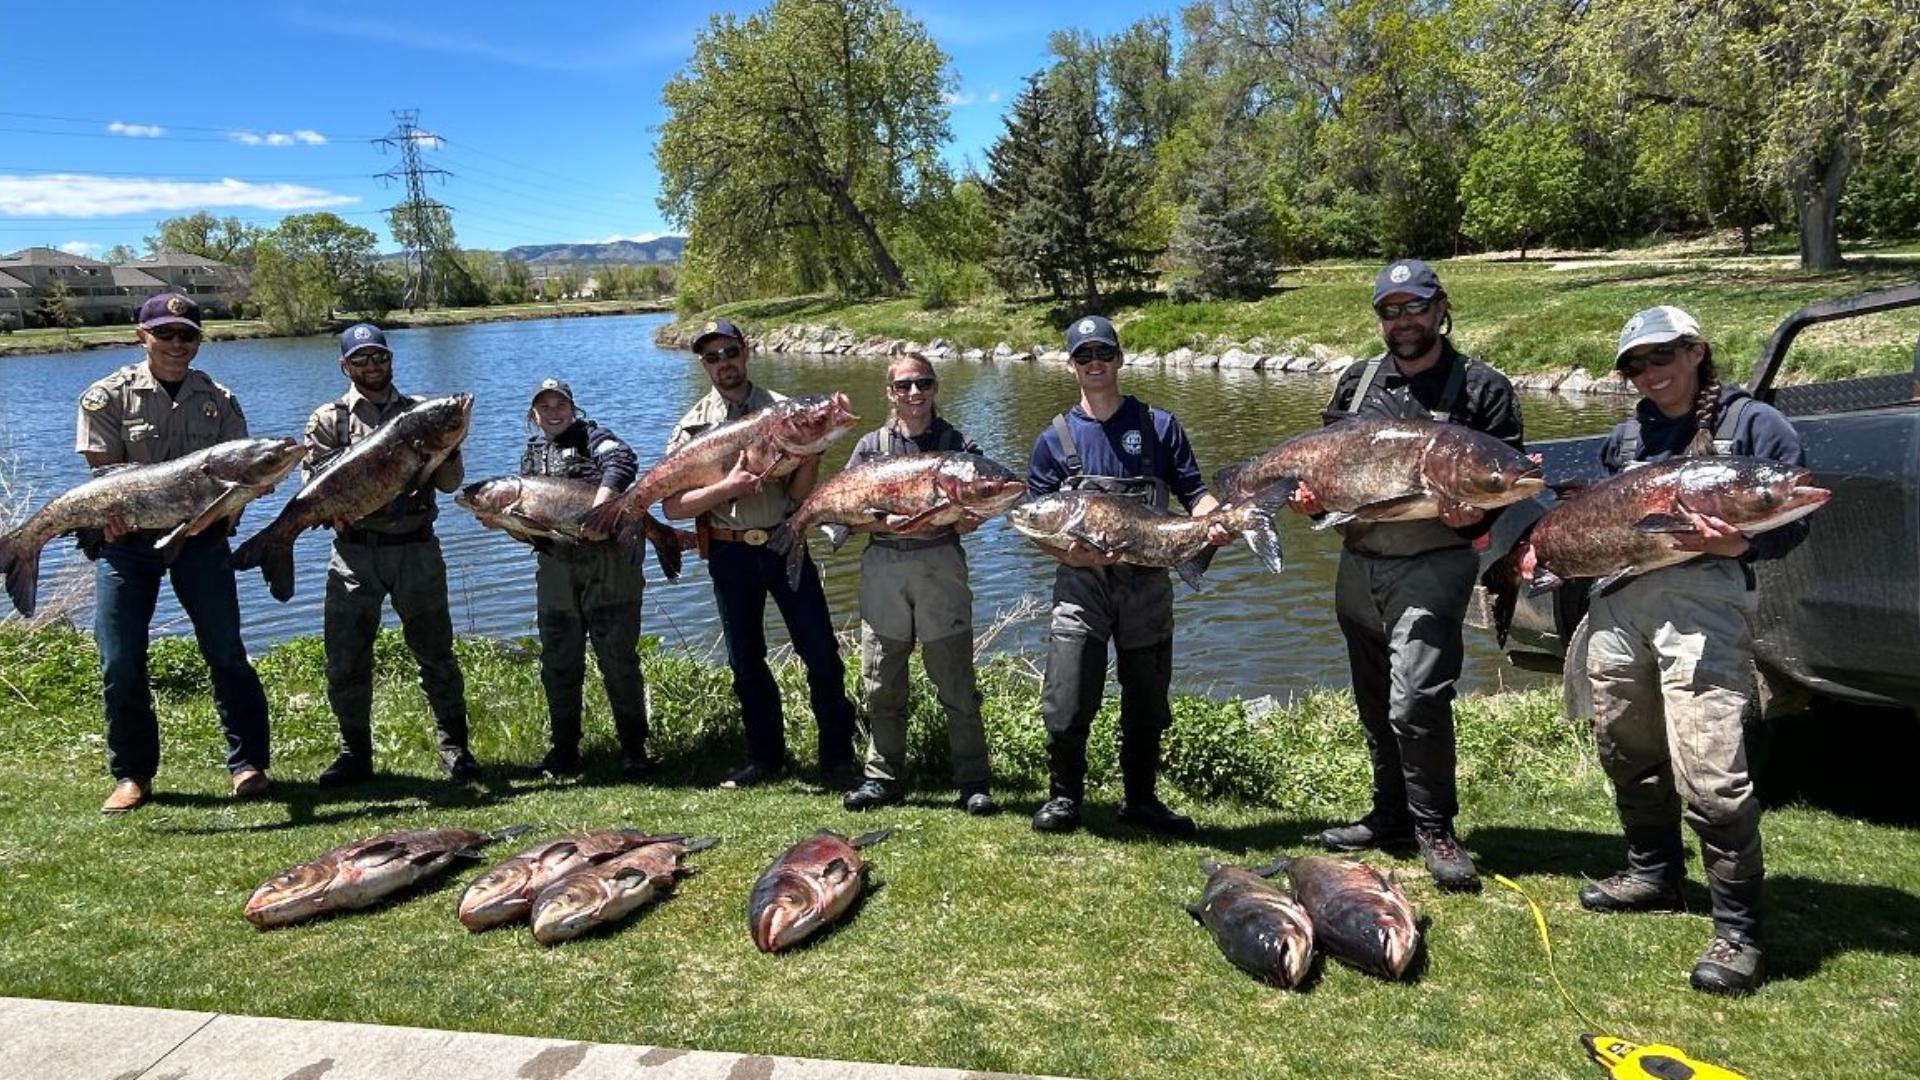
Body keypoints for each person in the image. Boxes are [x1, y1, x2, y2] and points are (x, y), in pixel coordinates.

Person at [1525, 306, 1805, 995]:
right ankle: (1653, 871)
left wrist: (1740, 543)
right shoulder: (1626, 437)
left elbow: (1790, 519)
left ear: (1696, 351)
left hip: (1702, 604)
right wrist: (1549, 554)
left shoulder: (1752, 426)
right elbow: (1602, 524)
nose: (1652, 374)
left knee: (1710, 764)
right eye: (1637, 365)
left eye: (1664, 356)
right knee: (1624, 739)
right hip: (1621, 603)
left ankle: (1737, 929)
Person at [1296, 258, 1524, 890]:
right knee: (1374, 701)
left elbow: (1504, 491)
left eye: (1415, 307)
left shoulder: (1483, 389)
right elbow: (1326, 475)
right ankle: (1389, 815)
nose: (1403, 321)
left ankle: (1434, 826)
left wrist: (1471, 513)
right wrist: (1312, 499)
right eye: (1389, 311)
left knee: (1417, 698)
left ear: (1441, 307)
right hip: (1359, 560)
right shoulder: (1355, 384)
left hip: (1435, 562)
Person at [1026, 315, 1229, 837]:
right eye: (1083, 356)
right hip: (1080, 587)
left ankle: (1141, 799)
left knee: (1146, 700)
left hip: (1148, 585)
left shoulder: (1159, 425)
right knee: (1068, 697)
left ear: (1119, 358)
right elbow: (1035, 520)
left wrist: (1216, 521)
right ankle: (1065, 797)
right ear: (1071, 365)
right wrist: (1069, 556)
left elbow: (1195, 493)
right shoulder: (1053, 439)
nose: (1095, 363)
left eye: (1104, 353)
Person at [74, 292, 273, 812]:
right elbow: (103, 478)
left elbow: (241, 473)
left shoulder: (220, 400)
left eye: (187, 334)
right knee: (120, 659)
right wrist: (108, 519)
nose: (176, 344)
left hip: (202, 540)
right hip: (128, 546)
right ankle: (132, 774)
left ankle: (248, 764)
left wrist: (249, 492)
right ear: (142, 336)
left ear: (198, 341)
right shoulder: (107, 397)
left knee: (227, 651)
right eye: (165, 333)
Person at [661, 318, 859, 790]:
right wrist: (725, 488)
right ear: (704, 364)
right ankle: (765, 758)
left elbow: (800, 496)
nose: (723, 364)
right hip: (729, 555)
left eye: (730, 352)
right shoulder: (692, 427)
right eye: (712, 357)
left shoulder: (785, 411)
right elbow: (671, 507)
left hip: (783, 543)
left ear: (745, 352)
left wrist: (809, 454)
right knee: (746, 660)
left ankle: (837, 758)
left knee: (821, 653)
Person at [306, 324, 476, 786]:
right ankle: (354, 753)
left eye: (378, 357)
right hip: (355, 554)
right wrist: (331, 511)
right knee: (346, 659)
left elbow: (448, 485)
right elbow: (313, 486)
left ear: (390, 359)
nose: (371, 366)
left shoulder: (423, 412)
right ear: (345, 366)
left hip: (417, 547)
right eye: (360, 360)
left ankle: (455, 748)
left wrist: (450, 446)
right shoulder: (329, 420)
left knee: (436, 653)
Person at [840, 352, 996, 816]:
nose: (914, 393)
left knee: (956, 679)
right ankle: (882, 777)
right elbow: (847, 508)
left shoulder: (958, 446)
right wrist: (878, 520)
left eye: (922, 384)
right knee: (881, 678)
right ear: (890, 392)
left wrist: (968, 518)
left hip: (939, 566)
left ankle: (972, 780)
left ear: (935, 387)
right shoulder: (870, 446)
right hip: (883, 566)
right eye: (904, 386)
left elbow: (977, 514)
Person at [516, 378, 652, 780]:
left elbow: (623, 460)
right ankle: (564, 751)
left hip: (609, 568)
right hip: (556, 571)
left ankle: (633, 750)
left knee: (618, 661)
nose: (553, 412)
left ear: (573, 407)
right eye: (544, 407)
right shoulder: (531, 459)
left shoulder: (595, 437)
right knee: (558, 662)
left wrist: (601, 510)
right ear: (533, 415)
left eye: (561, 404)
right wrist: (507, 524)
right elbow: (532, 526)